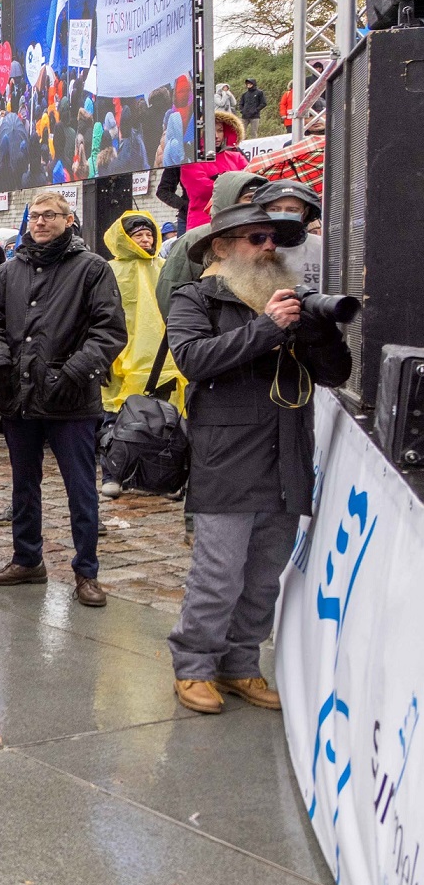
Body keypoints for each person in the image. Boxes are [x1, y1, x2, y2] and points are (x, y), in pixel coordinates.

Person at [165, 203, 350, 713]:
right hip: (226, 458)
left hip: (287, 451)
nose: (269, 247)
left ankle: (240, 664)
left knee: (265, 574)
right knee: (219, 572)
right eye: (255, 238)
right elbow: (194, 360)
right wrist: (267, 329)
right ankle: (195, 665)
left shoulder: (293, 302)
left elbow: (336, 373)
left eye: (275, 239)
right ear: (221, 247)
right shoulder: (195, 297)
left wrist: (318, 330)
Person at [0, 193, 127, 608]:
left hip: (71, 398)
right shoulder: (10, 271)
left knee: (80, 488)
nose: (40, 222)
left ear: (69, 220)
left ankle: (87, 571)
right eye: (35, 216)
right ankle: (27, 558)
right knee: (23, 485)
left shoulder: (92, 269)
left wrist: (75, 372)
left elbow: (109, 332)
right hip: (19, 395)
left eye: (50, 216)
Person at [99, 211, 183, 499]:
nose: (146, 239)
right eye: (138, 235)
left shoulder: (165, 267)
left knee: (169, 420)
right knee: (117, 421)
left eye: (149, 234)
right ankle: (113, 473)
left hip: (163, 356)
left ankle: (168, 474)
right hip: (121, 357)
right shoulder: (108, 270)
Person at [157, 171, 268, 316]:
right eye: (249, 198)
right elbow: (169, 294)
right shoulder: (194, 239)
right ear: (228, 200)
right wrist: (188, 328)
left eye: (261, 200)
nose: (256, 205)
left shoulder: (269, 238)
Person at [256, 180, 323, 293]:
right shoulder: (252, 247)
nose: (282, 214)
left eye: (292, 210)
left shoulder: (322, 247)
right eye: (274, 209)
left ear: (305, 212)